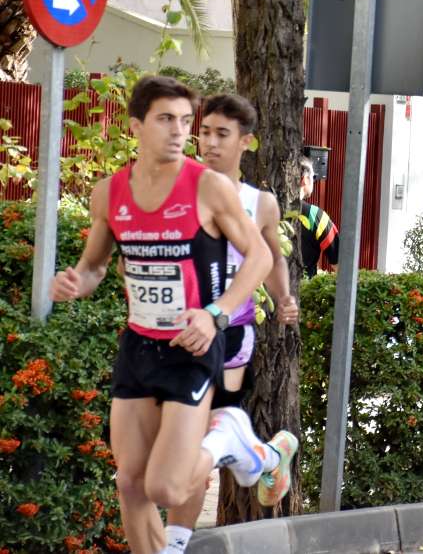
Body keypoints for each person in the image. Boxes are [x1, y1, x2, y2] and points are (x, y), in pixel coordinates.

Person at [49, 76, 295, 554]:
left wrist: (215, 315)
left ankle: (230, 439)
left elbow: (262, 257)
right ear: (137, 125)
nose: (181, 131)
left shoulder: (208, 188)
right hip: (138, 348)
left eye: (186, 121)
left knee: (165, 487)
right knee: (130, 483)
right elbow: (95, 267)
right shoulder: (110, 193)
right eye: (167, 120)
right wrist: (75, 283)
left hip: (195, 348)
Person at [161, 94, 301, 552]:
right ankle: (262, 455)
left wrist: (283, 298)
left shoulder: (259, 202)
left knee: (199, 436)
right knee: (198, 436)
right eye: (205, 132)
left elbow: (272, 257)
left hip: (230, 332)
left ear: (247, 142)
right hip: (176, 331)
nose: (210, 142)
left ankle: (176, 542)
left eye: (222, 134)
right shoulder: (179, 186)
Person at [298, 156, 340, 277]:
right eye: (313, 177)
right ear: (305, 179)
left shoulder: (263, 209)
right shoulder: (315, 215)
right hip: (303, 291)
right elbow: (339, 263)